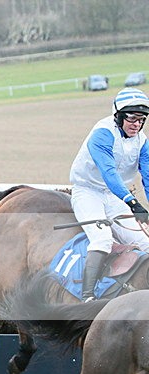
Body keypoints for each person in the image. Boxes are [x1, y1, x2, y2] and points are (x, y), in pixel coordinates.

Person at [70, 87, 149, 301]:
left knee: (146, 242)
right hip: (88, 192)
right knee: (102, 239)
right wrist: (133, 203)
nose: (137, 124)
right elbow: (109, 173)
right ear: (118, 116)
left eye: (141, 119)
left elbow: (148, 176)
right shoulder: (102, 134)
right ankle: (87, 296)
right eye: (132, 118)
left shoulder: (142, 141)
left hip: (115, 196)